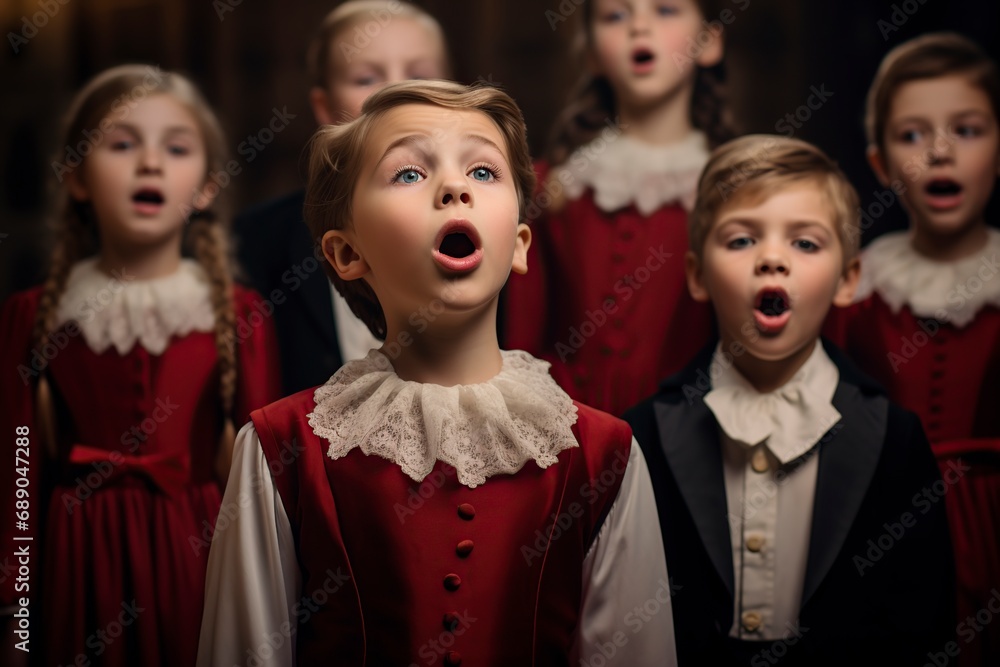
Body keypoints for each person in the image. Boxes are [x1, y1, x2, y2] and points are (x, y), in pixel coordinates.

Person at [198, 80, 675, 666]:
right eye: (407, 174)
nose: (454, 187)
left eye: (482, 172)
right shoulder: (277, 451)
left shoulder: (607, 457)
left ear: (521, 243)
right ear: (347, 255)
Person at [625, 135, 955, 665]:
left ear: (848, 279)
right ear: (696, 275)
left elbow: (925, 629)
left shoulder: (895, 439)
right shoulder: (641, 436)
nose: (772, 259)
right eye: (740, 241)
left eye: (805, 243)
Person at [0, 65, 280, 666]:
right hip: (74, 559)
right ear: (76, 176)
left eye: (175, 148)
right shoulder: (32, 316)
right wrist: (16, 623)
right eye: (122, 143)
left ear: (205, 187)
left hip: (198, 551)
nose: (149, 163)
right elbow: (15, 478)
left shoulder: (240, 313)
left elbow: (269, 482)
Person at [827, 32, 1000, 666]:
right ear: (879, 163)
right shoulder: (857, 291)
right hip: (885, 529)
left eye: (968, 129)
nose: (940, 151)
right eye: (912, 135)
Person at [503, 0, 734, 415]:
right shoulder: (551, 187)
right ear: (592, 54)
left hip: (692, 432)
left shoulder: (733, 192)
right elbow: (520, 342)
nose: (639, 27)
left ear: (708, 42)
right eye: (615, 15)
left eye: (665, 10)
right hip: (566, 429)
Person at [235, 0, 452, 396]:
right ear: (323, 106)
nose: (396, 91)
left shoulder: (488, 220)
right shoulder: (257, 240)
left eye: (419, 75)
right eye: (366, 78)